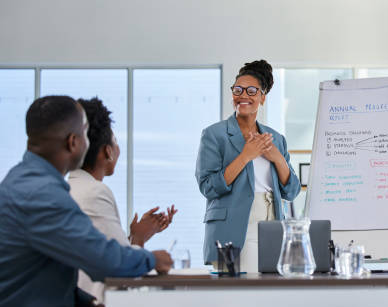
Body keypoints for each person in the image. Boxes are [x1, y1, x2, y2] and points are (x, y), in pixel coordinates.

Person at [0, 96, 173, 307]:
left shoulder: (22, 181)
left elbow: (44, 274)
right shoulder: (42, 195)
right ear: (73, 142)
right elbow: (105, 260)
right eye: (85, 133)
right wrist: (153, 259)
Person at [69, 97, 178, 303]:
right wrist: (147, 250)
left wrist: (137, 237)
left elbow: (103, 252)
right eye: (116, 141)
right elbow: (120, 271)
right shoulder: (95, 192)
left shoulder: (73, 186)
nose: (118, 148)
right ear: (107, 152)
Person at [196, 60, 301, 272]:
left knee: (270, 293)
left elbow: (292, 191)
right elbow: (208, 187)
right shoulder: (214, 134)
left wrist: (278, 158)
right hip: (233, 227)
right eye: (238, 89)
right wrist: (245, 156)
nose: (243, 95)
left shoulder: (276, 139)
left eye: (252, 90)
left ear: (262, 97)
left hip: (273, 224)